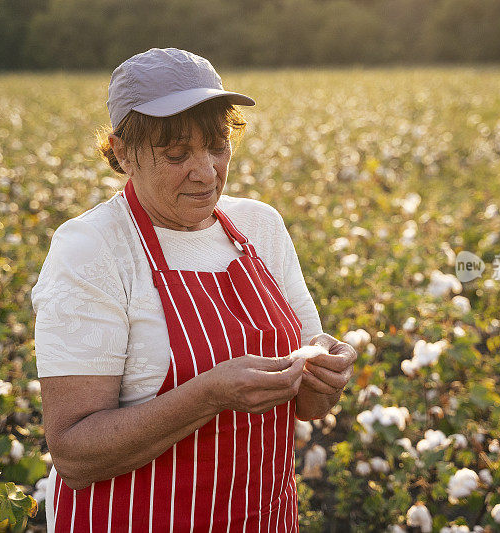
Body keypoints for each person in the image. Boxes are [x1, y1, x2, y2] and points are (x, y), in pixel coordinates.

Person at [31, 48, 357, 532]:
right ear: (122, 153)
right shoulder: (92, 249)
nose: (205, 172)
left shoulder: (259, 227)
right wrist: (209, 395)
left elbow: (306, 406)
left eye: (218, 146)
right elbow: (75, 453)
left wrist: (325, 375)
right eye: (177, 154)